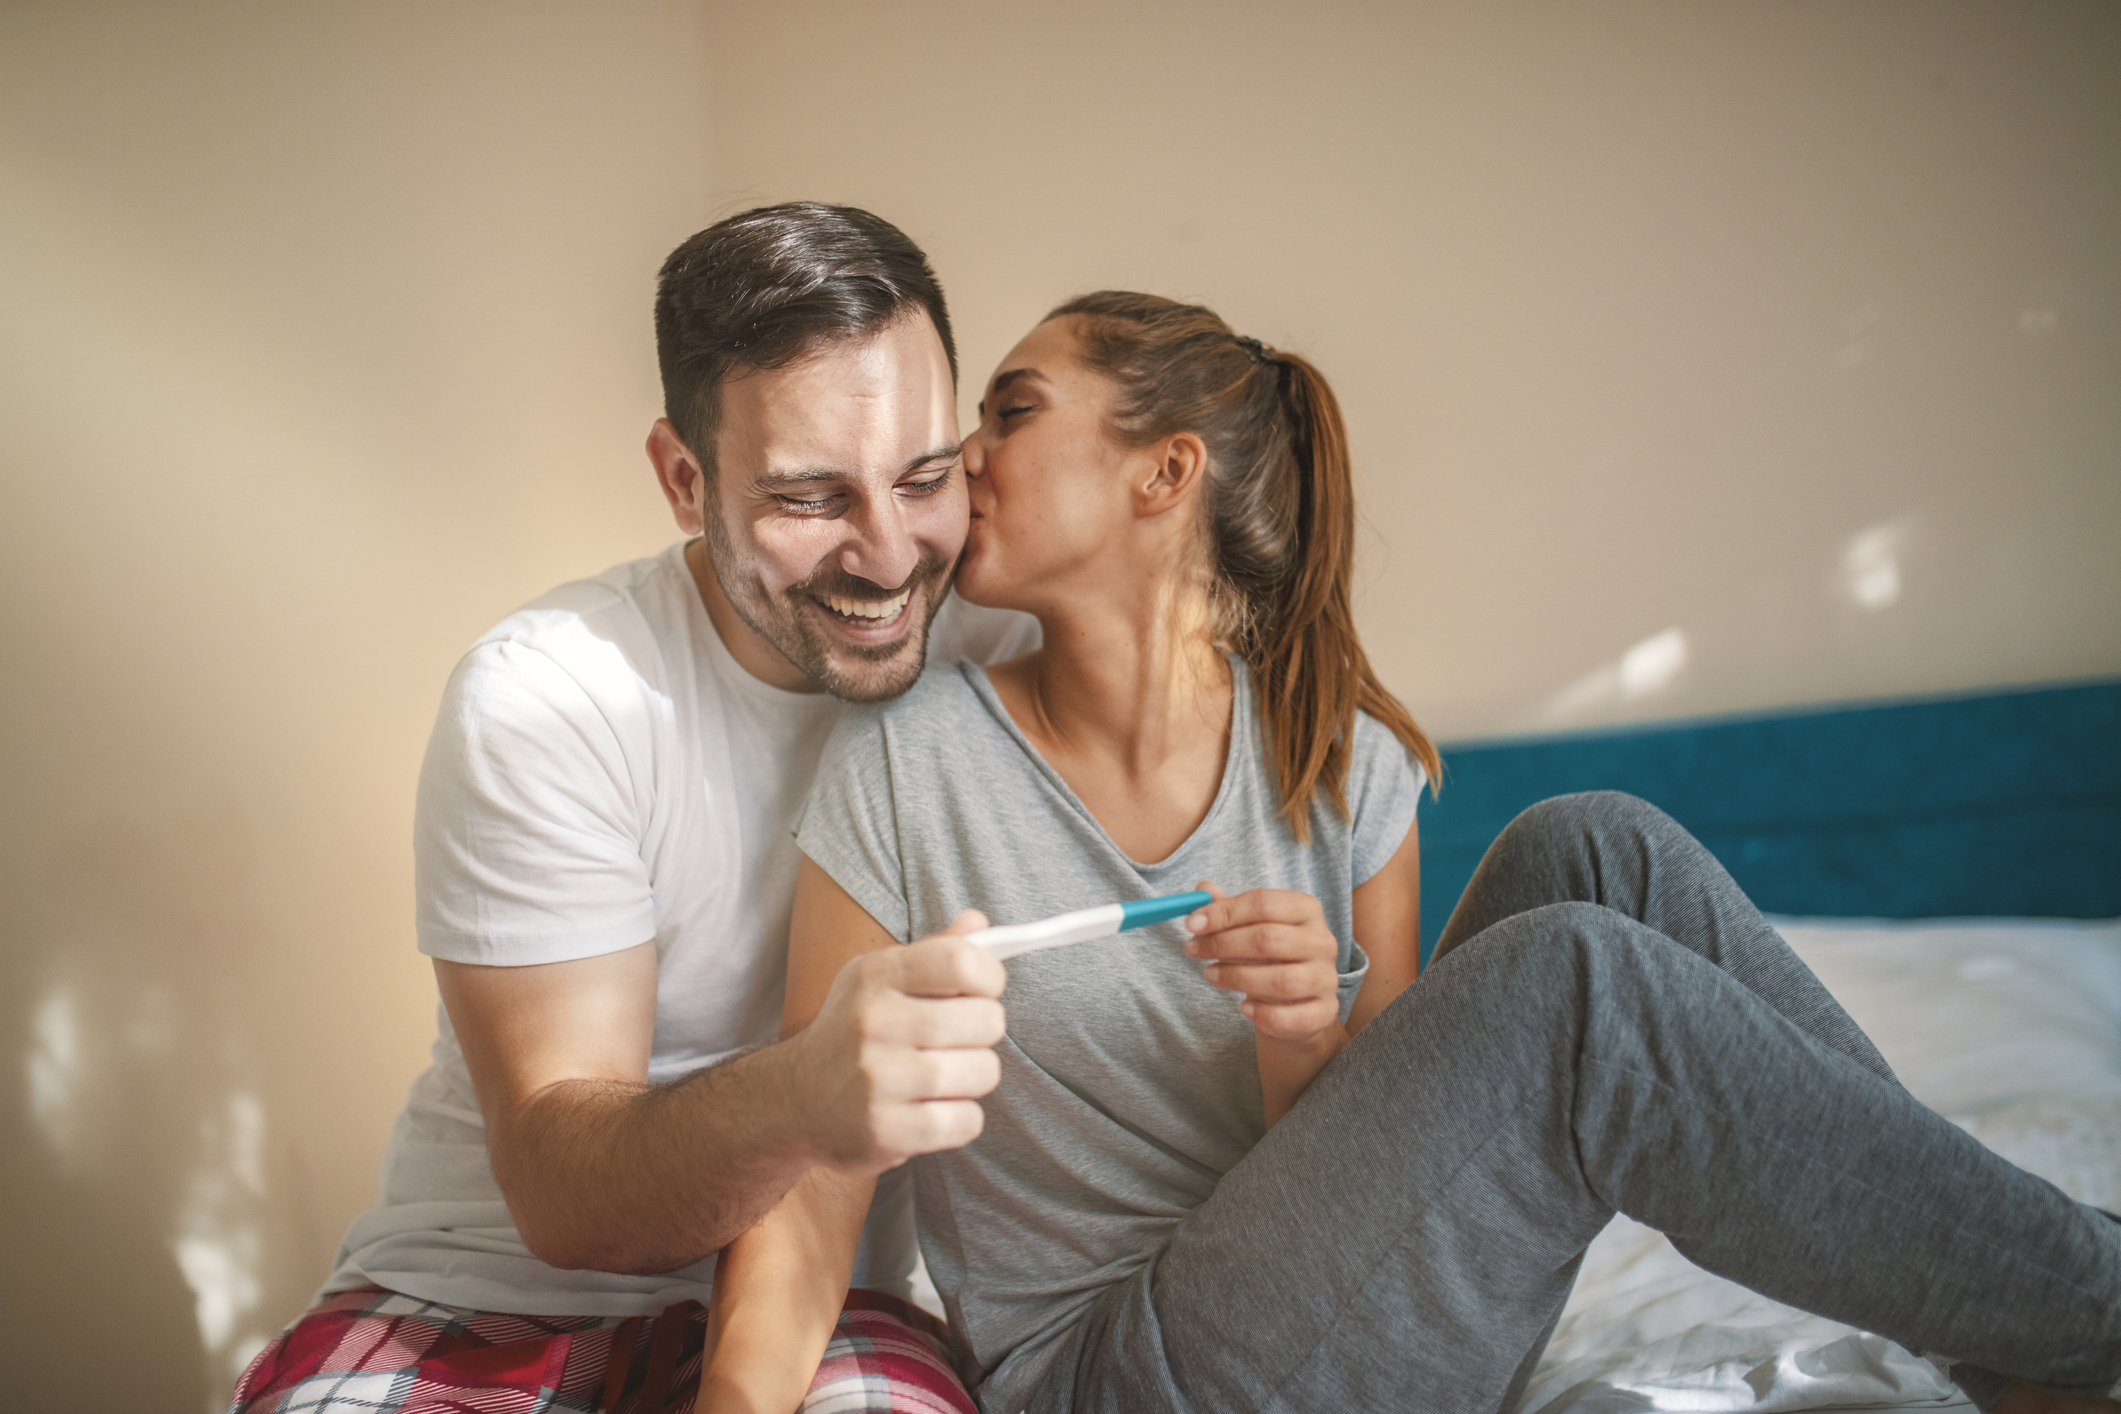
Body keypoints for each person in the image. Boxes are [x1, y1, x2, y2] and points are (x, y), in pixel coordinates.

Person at [711, 291, 2121, 1413]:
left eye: (1011, 411)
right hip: (1118, 1373)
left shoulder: (1340, 761)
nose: (964, 459)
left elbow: (1388, 1198)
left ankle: (2012, 1333)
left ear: (1164, 472)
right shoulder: (908, 758)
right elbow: (813, 1166)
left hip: (1355, 1341)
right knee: (1570, 987)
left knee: (1596, 848)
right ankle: (2092, 1294)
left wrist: (1296, 1035)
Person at [229, 204, 1039, 1414]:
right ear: (682, 477)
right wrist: (809, 1090)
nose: (886, 555)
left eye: (923, 479)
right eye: (812, 499)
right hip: (476, 1301)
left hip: (833, 1319)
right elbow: (568, 1198)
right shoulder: (550, 695)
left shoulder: (1011, 654)